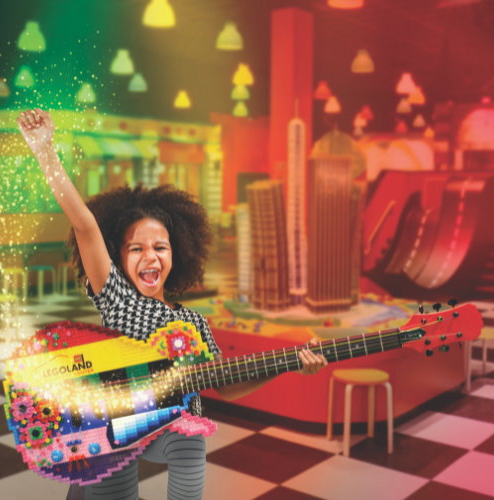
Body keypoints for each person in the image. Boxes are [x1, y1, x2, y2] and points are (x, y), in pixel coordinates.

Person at [17, 109, 328, 500]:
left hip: (169, 432)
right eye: (137, 249)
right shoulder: (118, 299)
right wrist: (44, 149)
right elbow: (84, 225)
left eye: (160, 247)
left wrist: (290, 364)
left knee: (190, 439)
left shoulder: (194, 323)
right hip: (112, 431)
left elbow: (225, 388)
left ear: (176, 254)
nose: (150, 256)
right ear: (118, 257)